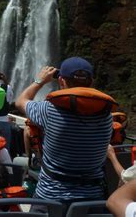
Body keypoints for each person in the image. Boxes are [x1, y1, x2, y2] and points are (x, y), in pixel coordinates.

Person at [16, 57, 116, 214]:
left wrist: (40, 80)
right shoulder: (106, 116)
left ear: (61, 81)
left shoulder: (49, 111)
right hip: (92, 201)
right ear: (91, 82)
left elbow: (21, 101)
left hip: (50, 199)